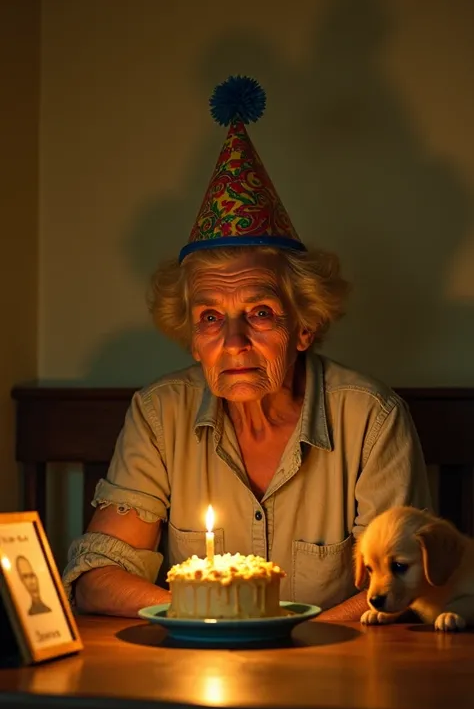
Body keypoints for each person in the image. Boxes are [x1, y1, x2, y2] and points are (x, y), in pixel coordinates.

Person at [62, 76, 431, 620]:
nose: (234, 343)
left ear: (304, 327)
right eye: (211, 318)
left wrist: (277, 644)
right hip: (193, 678)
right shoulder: (160, 415)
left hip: (332, 676)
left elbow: (402, 587)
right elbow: (96, 579)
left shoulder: (371, 420)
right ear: (192, 336)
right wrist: (216, 619)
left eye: (259, 313)